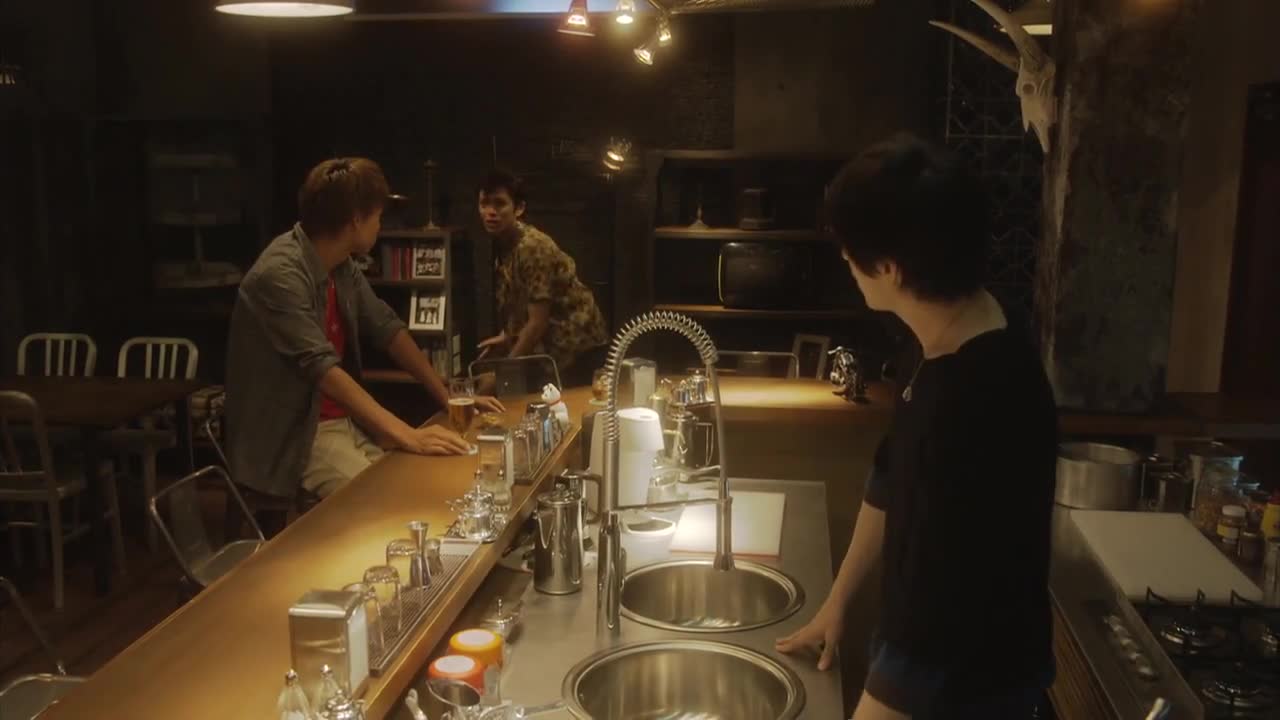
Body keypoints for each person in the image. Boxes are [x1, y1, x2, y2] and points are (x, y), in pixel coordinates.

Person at [776, 135, 1058, 719]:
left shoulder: (971, 403)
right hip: (941, 662)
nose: (845, 260)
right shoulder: (956, 329)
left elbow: (934, 618)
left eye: (849, 249)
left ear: (889, 268)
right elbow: (889, 475)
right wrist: (838, 601)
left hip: (969, 689)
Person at [226, 157, 503, 501]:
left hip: (341, 423)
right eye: (377, 216)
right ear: (356, 220)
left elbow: (387, 327)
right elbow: (321, 367)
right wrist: (408, 434)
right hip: (293, 436)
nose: (380, 224)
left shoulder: (339, 263)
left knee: (417, 482)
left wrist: (447, 397)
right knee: (388, 500)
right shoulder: (280, 274)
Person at [476, 169, 608, 388]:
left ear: (519, 208)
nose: (490, 212)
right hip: (555, 347)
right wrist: (507, 335)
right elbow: (521, 301)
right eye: (484, 204)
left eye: (499, 204)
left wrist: (501, 376)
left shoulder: (532, 246)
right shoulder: (506, 244)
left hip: (578, 347)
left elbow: (537, 323)